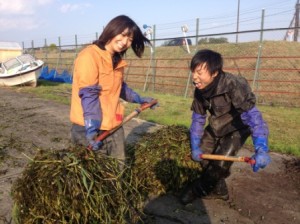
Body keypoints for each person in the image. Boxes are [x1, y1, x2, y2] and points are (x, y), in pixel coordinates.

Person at [179, 49, 271, 205]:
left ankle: (197, 189)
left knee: (221, 164)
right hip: (217, 126)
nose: (194, 77)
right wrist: (195, 145)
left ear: (214, 73)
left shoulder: (233, 85)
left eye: (199, 73)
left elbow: (253, 117)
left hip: (237, 128)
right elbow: (198, 119)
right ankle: (220, 190)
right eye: (193, 72)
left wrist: (261, 148)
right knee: (203, 155)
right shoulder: (200, 91)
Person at [70, 15, 158, 164]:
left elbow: (120, 87)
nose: (125, 42)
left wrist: (139, 99)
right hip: (88, 127)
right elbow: (89, 95)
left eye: (130, 40)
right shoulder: (89, 56)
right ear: (112, 30)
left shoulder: (116, 60)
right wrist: (91, 131)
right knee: (92, 175)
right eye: (123, 35)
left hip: (113, 126)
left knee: (117, 170)